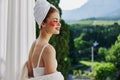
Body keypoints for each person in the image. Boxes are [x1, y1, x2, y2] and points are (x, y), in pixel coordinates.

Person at [19, 0, 64, 80]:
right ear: (43, 23)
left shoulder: (34, 44)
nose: (59, 24)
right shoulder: (48, 50)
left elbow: (30, 73)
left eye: (59, 21)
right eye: (55, 20)